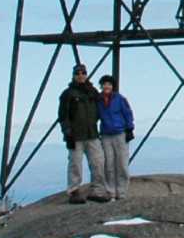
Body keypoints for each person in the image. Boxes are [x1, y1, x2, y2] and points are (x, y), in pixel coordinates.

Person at [57, 63, 102, 204]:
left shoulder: (93, 92)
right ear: (74, 75)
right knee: (75, 164)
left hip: (92, 134)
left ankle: (98, 189)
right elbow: (63, 116)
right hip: (75, 136)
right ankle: (74, 190)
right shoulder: (67, 94)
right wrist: (67, 132)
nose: (81, 75)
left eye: (83, 73)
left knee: (98, 162)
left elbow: (100, 109)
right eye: (78, 73)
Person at [94, 73, 135, 200]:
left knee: (122, 164)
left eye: (109, 84)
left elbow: (128, 113)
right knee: (109, 164)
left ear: (113, 86)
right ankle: (111, 192)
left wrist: (129, 129)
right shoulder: (98, 100)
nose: (106, 86)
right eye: (104, 84)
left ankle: (121, 192)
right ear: (101, 86)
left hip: (120, 133)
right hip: (106, 135)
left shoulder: (120, 99)